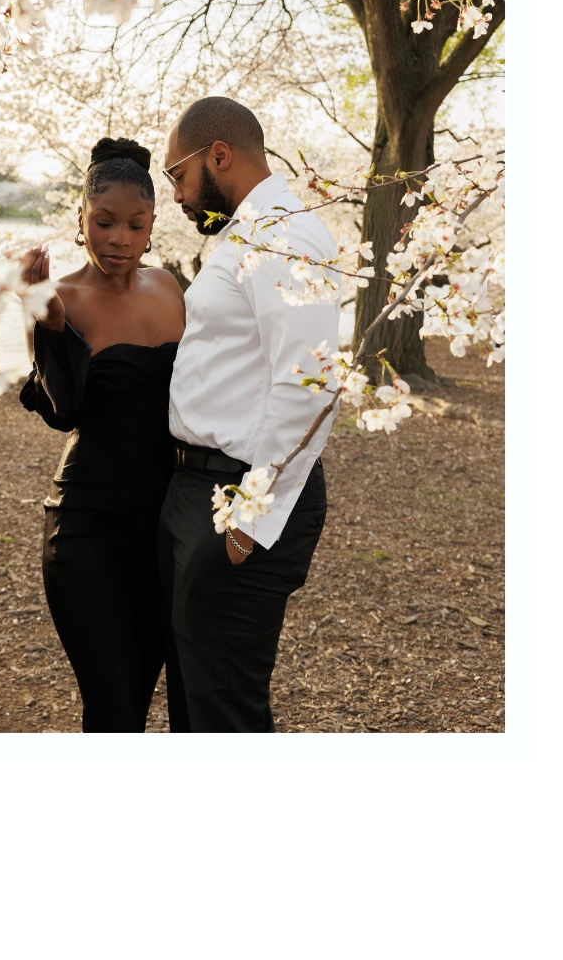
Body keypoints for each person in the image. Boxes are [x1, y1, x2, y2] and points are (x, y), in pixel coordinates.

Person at [155, 95, 338, 732]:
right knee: (196, 700)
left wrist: (249, 521)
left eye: (176, 174)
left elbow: (310, 381)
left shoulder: (283, 233)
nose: (175, 195)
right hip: (199, 488)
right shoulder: (246, 233)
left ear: (220, 156)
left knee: (224, 710)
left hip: (240, 496)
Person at [17, 137, 186, 732]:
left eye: (134, 225)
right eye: (104, 222)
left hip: (166, 530)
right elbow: (64, 411)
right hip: (89, 528)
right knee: (113, 710)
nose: (118, 238)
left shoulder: (170, 290)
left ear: (151, 226)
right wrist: (52, 327)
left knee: (143, 698)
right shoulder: (59, 296)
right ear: (80, 219)